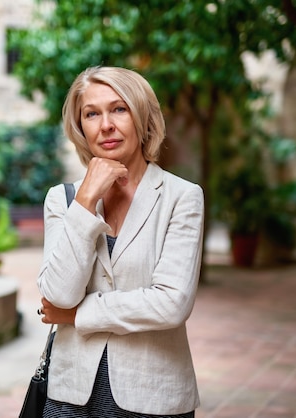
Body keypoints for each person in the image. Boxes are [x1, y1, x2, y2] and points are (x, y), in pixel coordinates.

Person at [36, 66, 204, 417]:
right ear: (80, 126)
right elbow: (58, 295)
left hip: (152, 396)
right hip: (70, 396)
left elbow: (171, 303)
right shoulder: (62, 199)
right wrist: (84, 203)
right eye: (92, 114)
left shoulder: (181, 197)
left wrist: (76, 315)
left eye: (119, 109)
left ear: (142, 117)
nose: (106, 125)